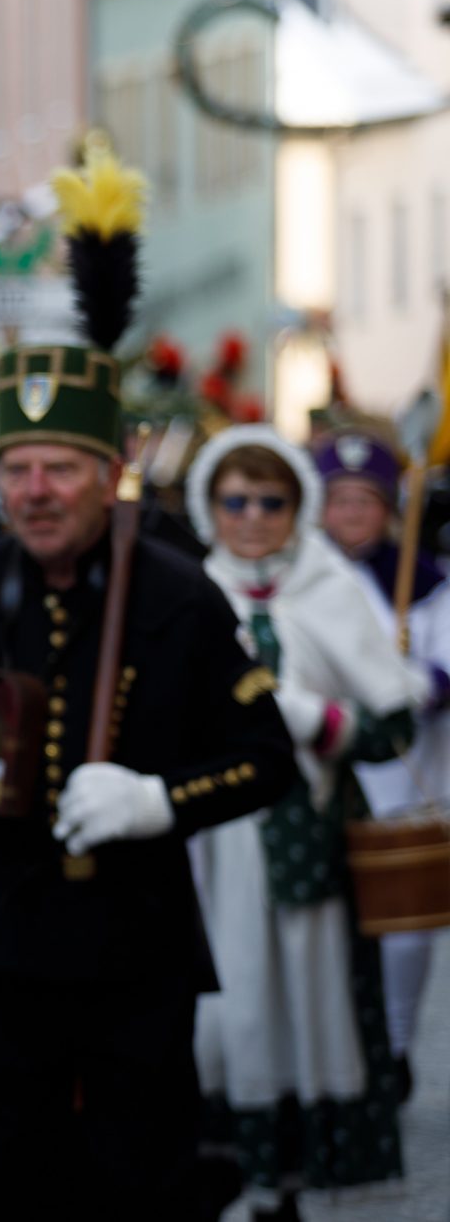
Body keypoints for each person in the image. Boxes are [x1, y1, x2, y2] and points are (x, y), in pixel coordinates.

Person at [0, 146, 298, 1222]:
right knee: (14, 1179)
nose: (32, 491)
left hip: (136, 946)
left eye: (58, 469)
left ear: (107, 472)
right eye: (15, 468)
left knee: (143, 1179)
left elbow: (266, 762)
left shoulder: (176, 594)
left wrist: (156, 801)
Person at [183, 425, 423, 1217]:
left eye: (271, 501)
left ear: (299, 508)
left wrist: (314, 720)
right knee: (234, 997)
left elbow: (393, 724)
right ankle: (248, 1174)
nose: (252, 516)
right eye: (235, 500)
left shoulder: (330, 590)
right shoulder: (183, 594)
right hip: (213, 842)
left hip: (311, 833)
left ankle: (311, 1166)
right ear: (208, 505)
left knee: (314, 998)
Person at [317, 426, 450, 1097]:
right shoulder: (299, 577)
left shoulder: (424, 583)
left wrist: (418, 680)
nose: (350, 515)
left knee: (403, 928)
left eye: (364, 501)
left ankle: (394, 1049)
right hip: (318, 781)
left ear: (389, 506)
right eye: (338, 500)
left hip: (401, 781)